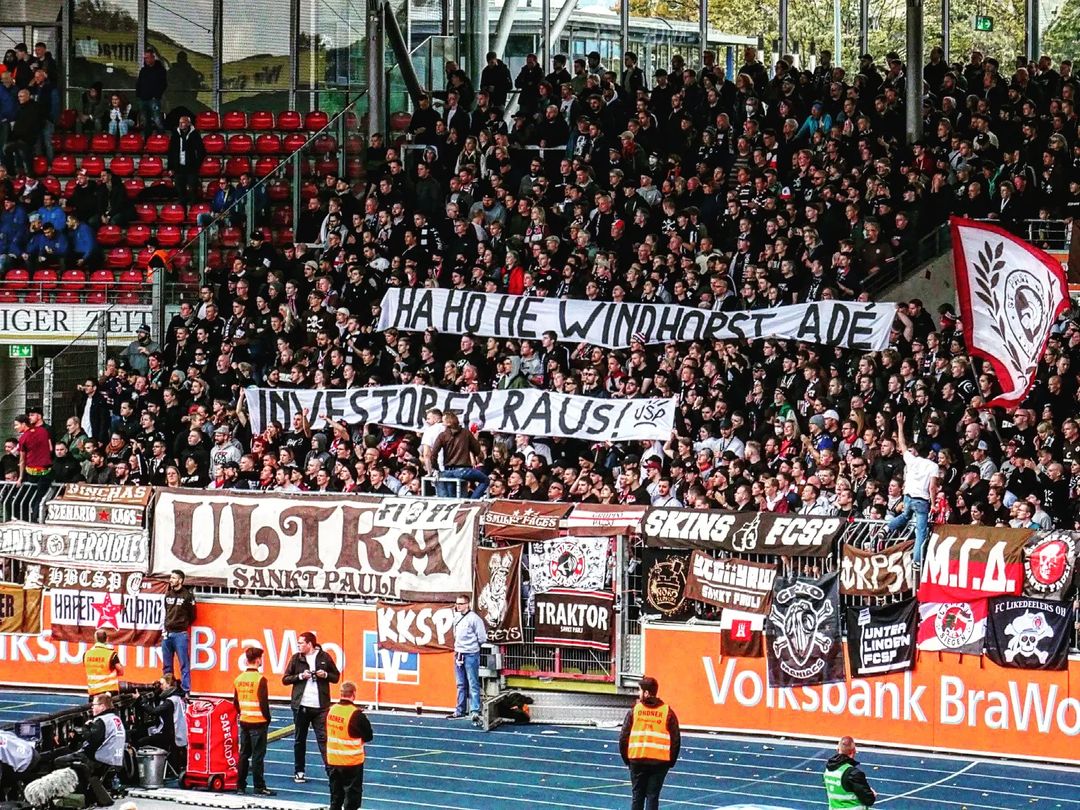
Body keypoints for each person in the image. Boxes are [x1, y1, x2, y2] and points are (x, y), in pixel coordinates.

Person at [282, 630, 340, 783]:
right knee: (300, 740)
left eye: (301, 643)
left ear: (310, 644)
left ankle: (331, 771)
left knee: (323, 739)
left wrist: (325, 675)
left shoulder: (324, 657)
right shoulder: (296, 658)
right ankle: (299, 771)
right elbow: (285, 679)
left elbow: (336, 677)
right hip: (301, 706)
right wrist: (301, 676)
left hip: (320, 707)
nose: (298, 646)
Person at [885, 412, 940, 570]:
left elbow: (901, 444)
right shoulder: (933, 466)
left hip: (907, 498)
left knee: (905, 515)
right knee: (921, 532)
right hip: (921, 500)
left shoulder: (911, 460)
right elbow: (932, 487)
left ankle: (887, 528)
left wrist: (900, 426)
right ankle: (917, 561)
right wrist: (934, 503)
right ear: (928, 453)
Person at [619, 676, 680, 810]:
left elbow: (624, 737)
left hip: (637, 760)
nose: (638, 694)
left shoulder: (635, 711)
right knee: (653, 797)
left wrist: (627, 760)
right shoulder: (667, 712)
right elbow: (676, 740)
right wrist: (670, 762)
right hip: (659, 762)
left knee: (637, 797)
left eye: (640, 691)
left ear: (646, 693)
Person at [232, 646, 275, 796]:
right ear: (258, 660)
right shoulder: (260, 679)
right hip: (258, 722)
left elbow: (236, 702)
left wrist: (243, 714)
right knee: (258, 756)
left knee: (244, 754)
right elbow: (264, 703)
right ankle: (259, 786)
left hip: (244, 721)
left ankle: (240, 786)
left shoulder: (239, 679)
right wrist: (267, 719)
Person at [325, 681, 373, 810]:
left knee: (335, 798)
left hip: (333, 760)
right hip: (351, 762)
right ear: (354, 694)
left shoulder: (331, 710)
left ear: (341, 694)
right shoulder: (356, 714)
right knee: (352, 799)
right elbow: (369, 736)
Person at [80, 693, 127, 806]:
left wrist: (85, 727)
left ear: (102, 706)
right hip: (117, 758)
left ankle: (82, 798)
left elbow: (92, 739)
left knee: (62, 761)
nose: (92, 707)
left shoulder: (102, 720)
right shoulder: (116, 718)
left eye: (94, 704)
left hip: (103, 759)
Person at [135, 674, 188, 774]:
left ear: (168, 685)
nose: (161, 686)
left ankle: (145, 771)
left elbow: (154, 712)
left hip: (171, 735)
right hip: (175, 732)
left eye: (162, 684)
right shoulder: (178, 697)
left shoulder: (170, 701)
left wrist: (140, 701)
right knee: (138, 732)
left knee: (141, 741)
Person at [449, 594, 487, 722]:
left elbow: (482, 637)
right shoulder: (456, 617)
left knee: (473, 683)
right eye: (457, 603)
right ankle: (460, 709)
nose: (458, 606)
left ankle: (475, 710)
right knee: (460, 684)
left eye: (460, 604)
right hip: (459, 653)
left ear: (467, 604)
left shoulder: (475, 619)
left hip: (471, 654)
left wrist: (472, 647)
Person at [162, 569, 195, 694]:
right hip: (167, 634)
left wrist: (182, 624)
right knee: (167, 665)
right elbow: (166, 610)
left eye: (174, 578)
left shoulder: (187, 595)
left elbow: (192, 615)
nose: (171, 580)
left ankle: (186, 690)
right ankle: (167, 689)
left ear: (180, 580)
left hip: (180, 634)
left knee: (184, 664)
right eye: (170, 577)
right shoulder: (168, 594)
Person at [823, 736, 877, 808]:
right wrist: (871, 793)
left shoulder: (828, 770)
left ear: (837, 749)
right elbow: (868, 800)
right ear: (854, 751)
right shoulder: (853, 773)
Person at [135, 48, 167, 134]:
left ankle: (162, 138)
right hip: (143, 99)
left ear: (153, 57)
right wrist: (139, 95)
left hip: (154, 100)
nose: (146, 60)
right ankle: (147, 141)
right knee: (145, 122)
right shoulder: (143, 71)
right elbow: (139, 83)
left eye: (147, 58)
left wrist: (156, 95)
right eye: (145, 58)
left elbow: (163, 84)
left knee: (157, 120)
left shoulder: (160, 70)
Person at [84, 629, 124, 697]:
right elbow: (121, 671)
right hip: (109, 692)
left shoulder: (86, 654)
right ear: (107, 639)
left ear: (95, 639)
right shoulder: (111, 654)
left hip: (93, 692)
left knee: (94, 707)